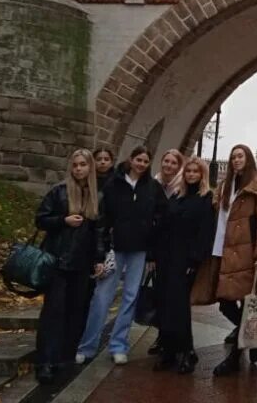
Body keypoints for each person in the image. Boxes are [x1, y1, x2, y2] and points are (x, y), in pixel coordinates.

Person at [76, 146, 157, 366]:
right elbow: (103, 220)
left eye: (145, 161)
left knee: (130, 298)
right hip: (115, 248)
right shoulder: (114, 184)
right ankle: (87, 346)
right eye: (138, 159)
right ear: (130, 160)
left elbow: (160, 217)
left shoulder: (152, 187)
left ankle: (119, 345)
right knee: (102, 296)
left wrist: (152, 250)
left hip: (139, 250)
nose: (141, 164)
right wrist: (100, 252)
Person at [34, 149, 104, 384]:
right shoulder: (59, 191)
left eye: (83, 165)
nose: (78, 169)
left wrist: (99, 259)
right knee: (53, 313)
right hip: (58, 261)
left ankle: (64, 359)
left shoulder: (96, 197)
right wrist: (62, 221)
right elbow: (41, 219)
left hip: (82, 265)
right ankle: (45, 361)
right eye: (75, 165)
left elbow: (99, 232)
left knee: (76, 313)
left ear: (90, 167)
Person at [206, 144, 257, 377]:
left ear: (248, 160)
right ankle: (253, 338)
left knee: (247, 303)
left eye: (240, 156)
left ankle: (234, 359)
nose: (236, 160)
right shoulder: (225, 187)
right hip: (221, 250)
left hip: (245, 253)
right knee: (224, 300)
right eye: (233, 156)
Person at [151, 157, 214, 373]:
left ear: (201, 174)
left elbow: (205, 232)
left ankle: (185, 350)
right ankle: (168, 349)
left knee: (179, 307)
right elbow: (164, 225)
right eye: (188, 171)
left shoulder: (205, 198)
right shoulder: (178, 195)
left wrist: (194, 260)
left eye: (196, 172)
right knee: (165, 303)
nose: (191, 175)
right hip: (166, 257)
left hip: (185, 259)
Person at [148, 149, 185, 357]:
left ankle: (175, 338)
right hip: (159, 248)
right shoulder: (153, 185)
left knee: (175, 297)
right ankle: (162, 336)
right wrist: (150, 255)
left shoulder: (183, 187)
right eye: (166, 161)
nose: (169, 166)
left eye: (173, 163)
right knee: (160, 295)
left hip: (177, 250)